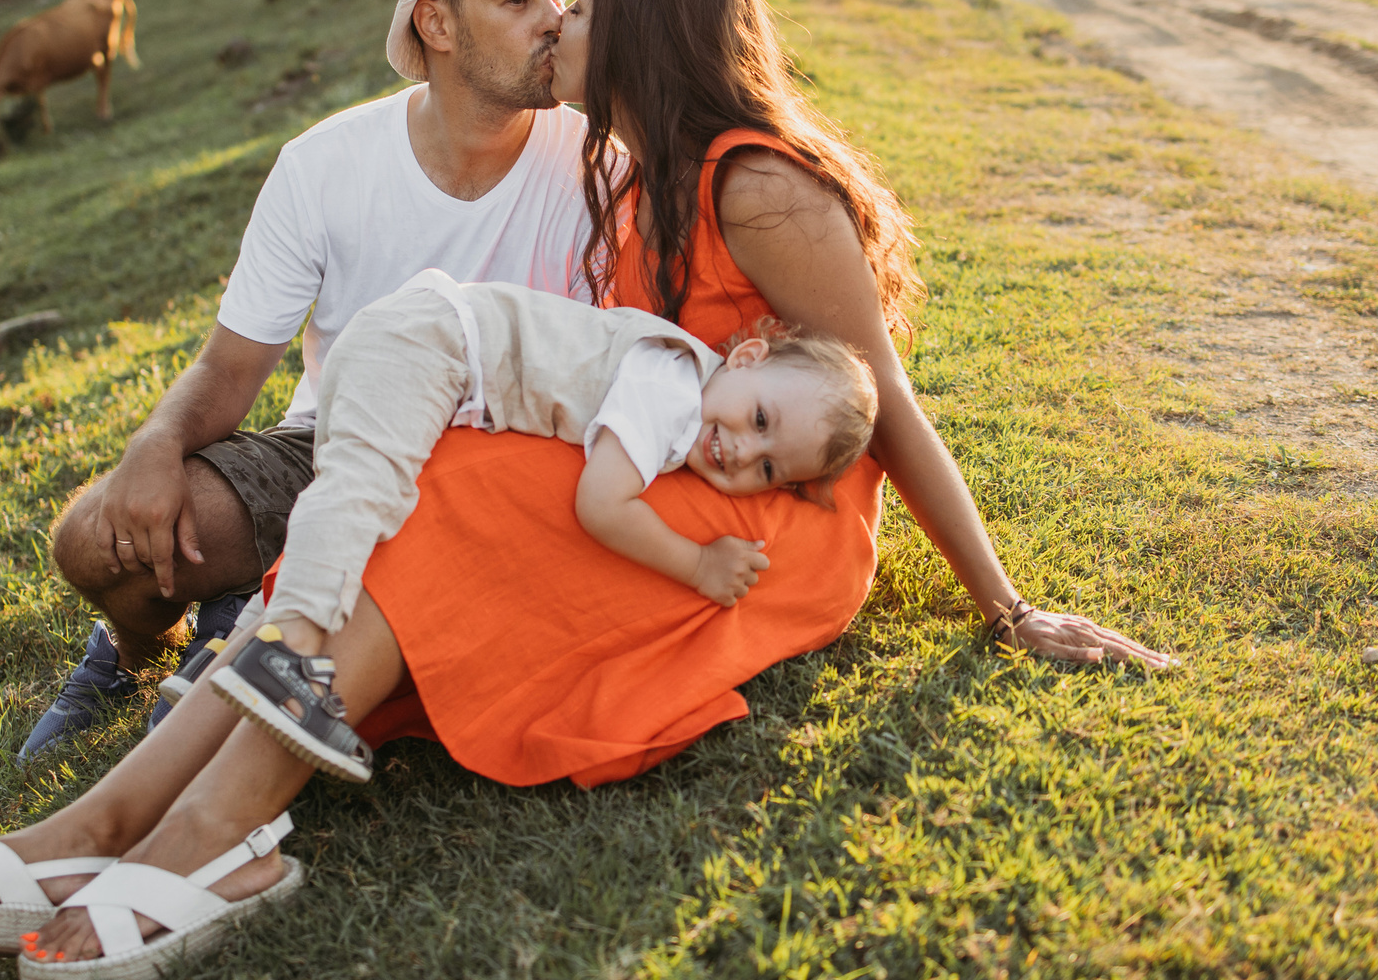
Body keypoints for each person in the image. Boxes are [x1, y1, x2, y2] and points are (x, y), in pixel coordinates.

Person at [0, 0, 1171, 980]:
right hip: (649, 458)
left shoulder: (758, 184)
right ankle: (94, 824)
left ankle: (207, 841)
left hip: (765, 520)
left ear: (640, 35)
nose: (560, 24)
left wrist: (1006, 604)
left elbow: (881, 398)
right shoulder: (617, 162)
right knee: (422, 482)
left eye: (581, 1)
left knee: (459, 493)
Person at [11, 0, 595, 761]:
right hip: (328, 451)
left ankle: (245, 615)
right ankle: (130, 653)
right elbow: (230, 369)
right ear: (435, 24)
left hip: (493, 476)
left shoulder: (598, 165)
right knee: (96, 540)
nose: (553, 18)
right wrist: (156, 446)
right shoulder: (323, 166)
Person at [206, 272, 880, 782]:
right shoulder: (672, 390)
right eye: (760, 420)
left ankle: (230, 666)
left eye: (767, 470)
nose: (742, 450)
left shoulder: (693, 401)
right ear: (746, 357)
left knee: (366, 503)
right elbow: (602, 504)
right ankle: (285, 649)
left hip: (433, 348)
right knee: (362, 491)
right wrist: (698, 564)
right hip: (429, 344)